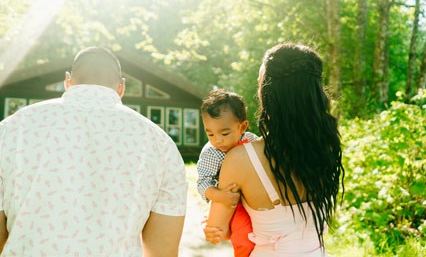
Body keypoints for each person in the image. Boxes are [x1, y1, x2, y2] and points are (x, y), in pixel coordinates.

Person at [0, 47, 188, 256]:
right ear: (121, 87)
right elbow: (162, 251)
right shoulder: (160, 143)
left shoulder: (12, 129)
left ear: (68, 81)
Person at [203, 43, 344, 256]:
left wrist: (217, 228)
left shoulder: (240, 158)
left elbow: (218, 231)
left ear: (268, 93)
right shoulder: (325, 149)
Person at [197, 89, 258, 256]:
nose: (217, 140)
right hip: (230, 202)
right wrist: (218, 196)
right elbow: (203, 182)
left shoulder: (252, 141)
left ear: (242, 126)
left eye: (224, 133)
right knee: (243, 235)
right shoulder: (211, 152)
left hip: (254, 195)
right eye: (210, 134)